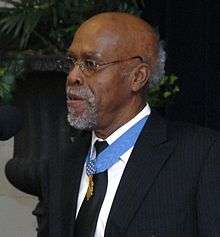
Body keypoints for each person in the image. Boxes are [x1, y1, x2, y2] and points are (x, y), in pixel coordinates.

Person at [5, 12, 220, 237]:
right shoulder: (62, 165)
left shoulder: (201, 156)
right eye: (72, 62)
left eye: (90, 64)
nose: (73, 76)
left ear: (137, 77)